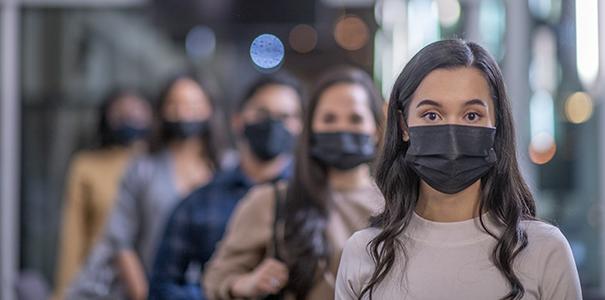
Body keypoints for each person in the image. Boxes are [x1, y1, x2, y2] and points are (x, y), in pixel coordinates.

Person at [335, 40, 582, 300]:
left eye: (472, 115)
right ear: (403, 125)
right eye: (431, 115)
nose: (452, 133)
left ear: (496, 123)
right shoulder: (365, 252)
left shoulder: (544, 250)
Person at [203, 66, 385, 300]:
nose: (342, 128)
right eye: (329, 118)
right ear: (310, 129)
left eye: (355, 118)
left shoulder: (397, 205)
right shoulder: (272, 200)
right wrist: (248, 283)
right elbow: (216, 279)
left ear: (377, 130)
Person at [148, 74, 304, 299]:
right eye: (262, 113)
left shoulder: (312, 198)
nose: (273, 124)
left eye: (285, 116)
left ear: (300, 125)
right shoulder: (199, 202)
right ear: (238, 120)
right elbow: (163, 285)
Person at [70, 74, 224, 300]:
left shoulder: (227, 169)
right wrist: (145, 294)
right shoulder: (143, 168)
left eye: (193, 105)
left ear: (210, 109)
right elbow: (120, 240)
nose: (183, 113)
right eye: (174, 105)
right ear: (161, 110)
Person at [53, 89, 152, 300]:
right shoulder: (87, 166)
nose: (130, 119)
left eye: (137, 112)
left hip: (150, 278)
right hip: (101, 282)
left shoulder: (157, 167)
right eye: (121, 114)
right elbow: (73, 238)